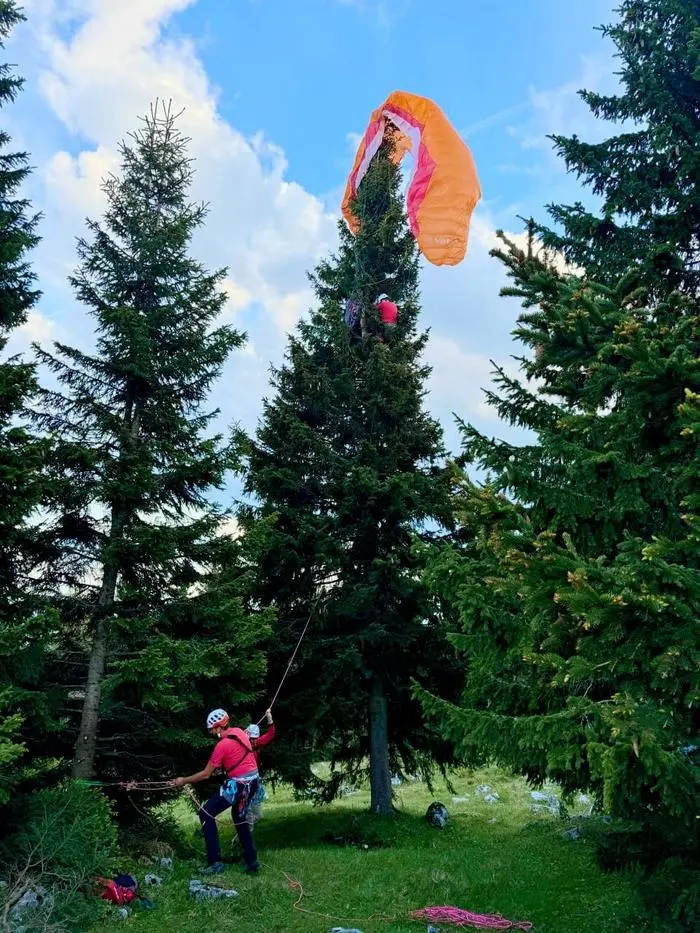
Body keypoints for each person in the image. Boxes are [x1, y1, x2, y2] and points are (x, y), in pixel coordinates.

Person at [171, 708, 262, 875]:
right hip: (253, 782)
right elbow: (237, 756)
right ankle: (251, 861)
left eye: (212, 729)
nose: (211, 733)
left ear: (219, 727)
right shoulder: (240, 732)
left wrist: (183, 780)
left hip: (238, 785)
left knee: (206, 813)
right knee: (239, 817)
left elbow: (206, 774)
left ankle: (215, 863)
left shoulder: (222, 745)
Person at [244, 710, 275, 827]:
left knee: (258, 815)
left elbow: (271, 734)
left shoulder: (258, 743)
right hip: (244, 781)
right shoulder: (241, 744)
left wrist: (269, 718)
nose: (253, 741)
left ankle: (248, 826)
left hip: (255, 780)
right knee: (248, 811)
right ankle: (246, 830)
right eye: (251, 738)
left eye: (255, 738)